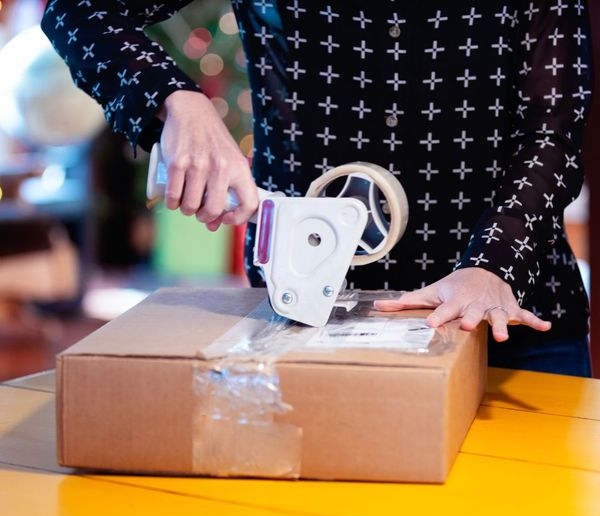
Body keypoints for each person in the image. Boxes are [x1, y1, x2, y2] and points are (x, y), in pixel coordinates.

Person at [41, 1, 594, 376]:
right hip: (309, 314)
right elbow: (82, 12)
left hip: (510, 325)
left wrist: (492, 264)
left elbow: (555, 129)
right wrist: (176, 101)